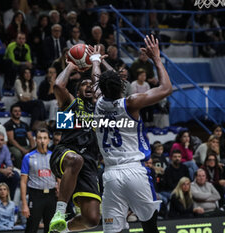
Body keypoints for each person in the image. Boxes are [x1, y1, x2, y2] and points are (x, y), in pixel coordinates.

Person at [94, 35, 172, 233]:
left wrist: (97, 61)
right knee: (150, 227)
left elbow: (99, 82)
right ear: (121, 85)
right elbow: (166, 88)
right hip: (135, 171)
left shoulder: (97, 103)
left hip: (110, 174)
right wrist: (156, 58)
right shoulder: (131, 102)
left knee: (113, 230)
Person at [48, 53, 107, 233]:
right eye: (84, 84)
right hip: (65, 153)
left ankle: (62, 230)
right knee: (76, 159)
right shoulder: (72, 103)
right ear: (78, 91)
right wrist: (71, 66)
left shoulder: (101, 108)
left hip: (89, 162)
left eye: (91, 84)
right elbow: (58, 85)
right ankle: (59, 213)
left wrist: (100, 62)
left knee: (92, 219)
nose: (89, 85)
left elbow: (104, 87)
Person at [21, 128, 57, 233]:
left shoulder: (53, 156)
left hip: (51, 195)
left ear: (49, 140)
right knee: (31, 228)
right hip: (35, 195)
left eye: (45, 138)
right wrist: (24, 204)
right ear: (36, 140)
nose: (42, 141)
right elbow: (23, 182)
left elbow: (59, 177)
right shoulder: (28, 157)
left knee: (51, 228)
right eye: (40, 138)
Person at [4, 104, 35, 169]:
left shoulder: (25, 124)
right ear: (11, 112)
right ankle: (20, 172)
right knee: (18, 154)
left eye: (19, 111)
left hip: (25, 146)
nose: (18, 113)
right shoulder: (8, 124)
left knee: (36, 151)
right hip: (14, 147)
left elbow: (30, 138)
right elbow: (11, 140)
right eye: (15, 111)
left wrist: (32, 148)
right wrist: (23, 150)